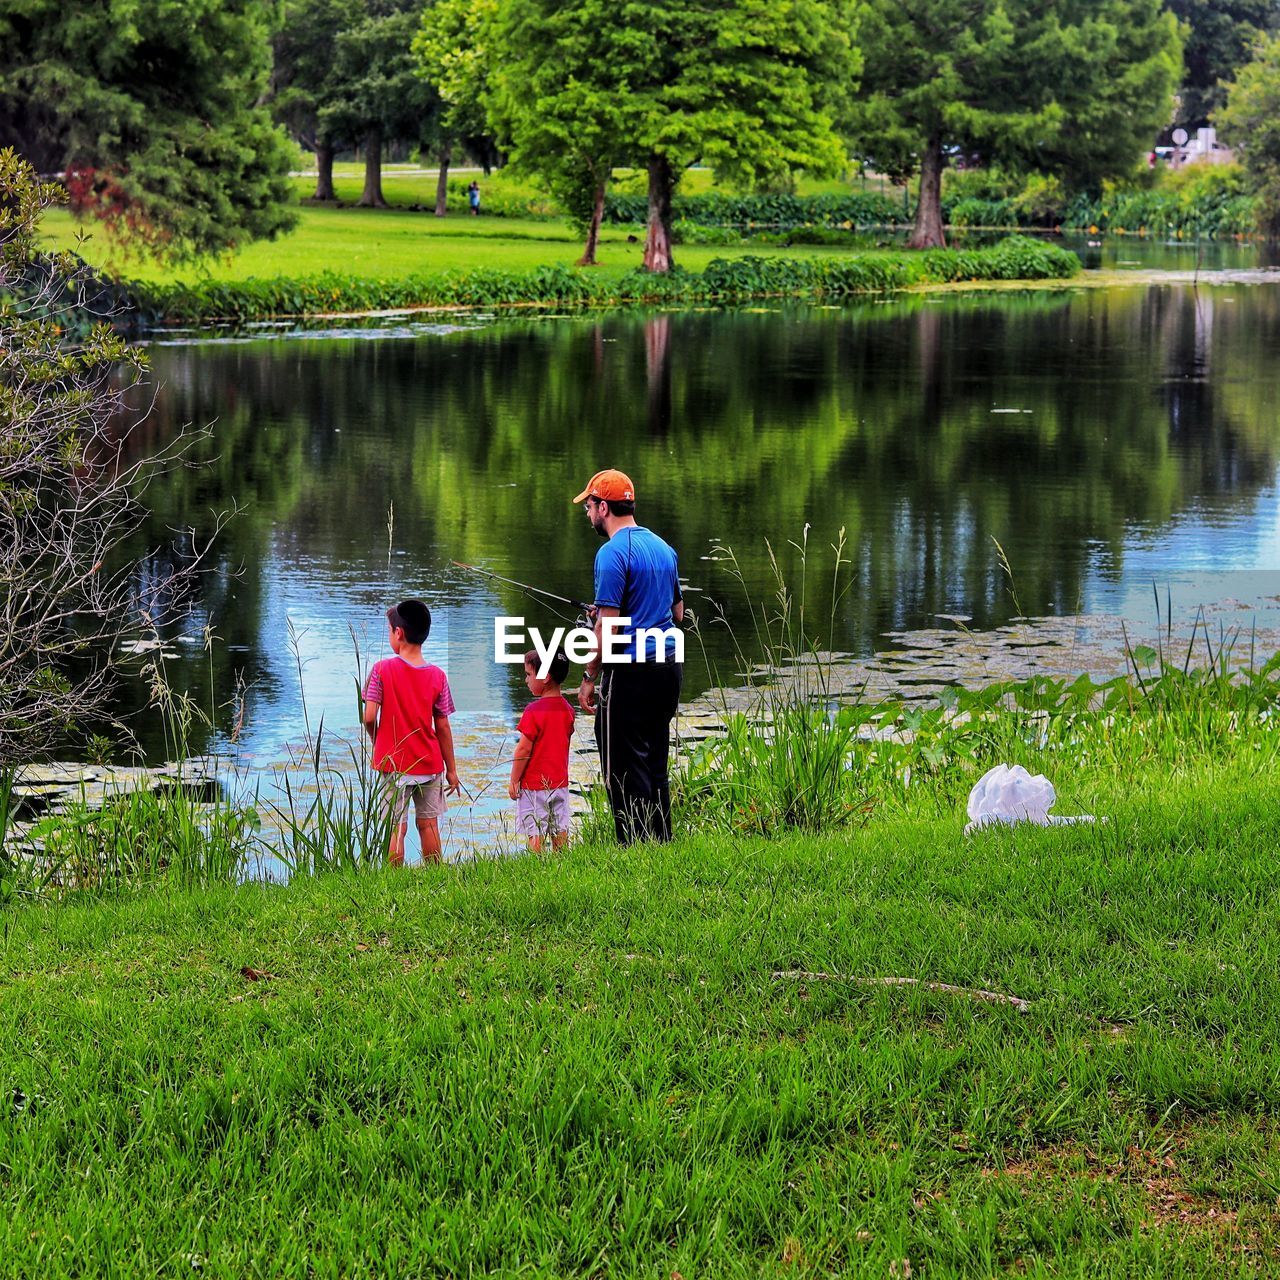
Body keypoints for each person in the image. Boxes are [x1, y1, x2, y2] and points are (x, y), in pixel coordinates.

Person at [573, 469, 684, 844]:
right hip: (670, 667)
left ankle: (635, 847)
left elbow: (609, 631)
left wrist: (589, 676)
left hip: (631, 671)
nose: (587, 514)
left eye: (588, 506)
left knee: (621, 763)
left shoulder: (610, 554)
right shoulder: (664, 548)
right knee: (654, 758)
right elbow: (679, 613)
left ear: (603, 507)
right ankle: (661, 840)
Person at [362, 599, 461, 866]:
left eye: (389, 630)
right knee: (428, 824)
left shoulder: (381, 670)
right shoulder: (438, 676)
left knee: (395, 827)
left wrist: (377, 739)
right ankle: (435, 875)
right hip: (429, 762)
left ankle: (394, 880)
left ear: (398, 633)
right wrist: (451, 769)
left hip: (393, 763)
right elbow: (442, 725)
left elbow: (369, 716)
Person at [508, 647, 575, 852]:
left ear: (545, 676)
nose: (526, 680)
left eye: (529, 674)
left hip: (534, 786)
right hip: (560, 784)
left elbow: (523, 750)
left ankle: (537, 867)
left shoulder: (533, 711)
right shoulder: (568, 710)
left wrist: (514, 780)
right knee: (559, 829)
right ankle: (562, 862)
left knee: (534, 831)